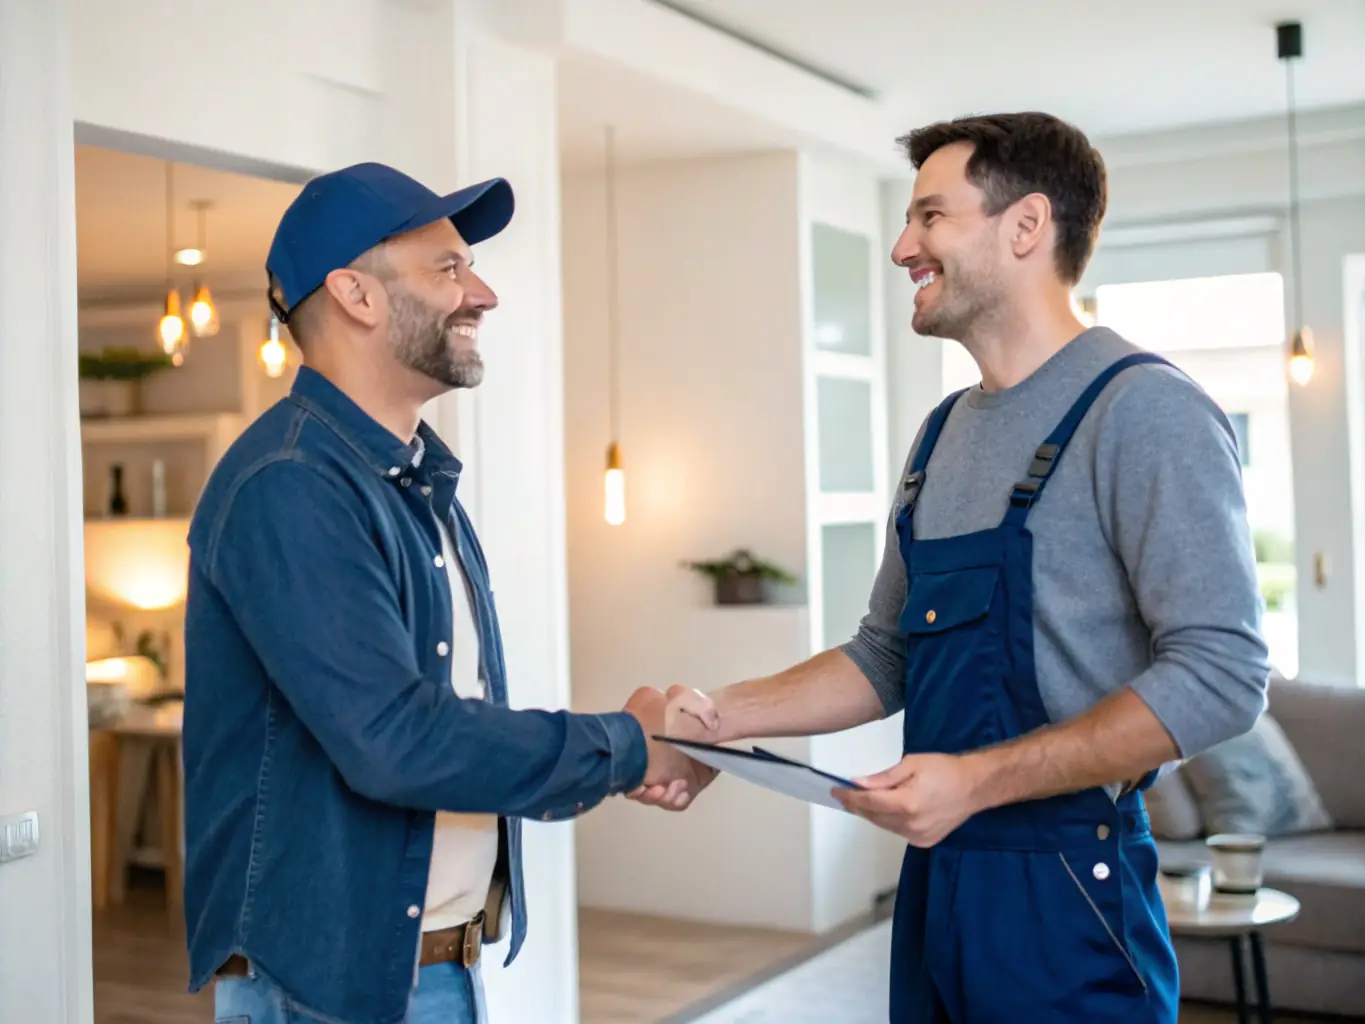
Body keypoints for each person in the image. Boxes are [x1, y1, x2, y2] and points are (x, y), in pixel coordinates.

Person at [635, 112, 1271, 1022]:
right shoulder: (943, 432)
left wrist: (974, 782)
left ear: (1026, 227)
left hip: (1069, 889)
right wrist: (714, 720)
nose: (902, 246)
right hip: (939, 883)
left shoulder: (1144, 412)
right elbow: (884, 653)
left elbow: (1223, 674)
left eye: (931, 216)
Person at [181, 162, 706, 1024]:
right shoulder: (290, 485)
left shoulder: (410, 480)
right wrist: (629, 745)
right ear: (355, 294)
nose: (484, 294)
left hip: (419, 967)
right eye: (450, 270)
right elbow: (393, 738)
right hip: (326, 988)